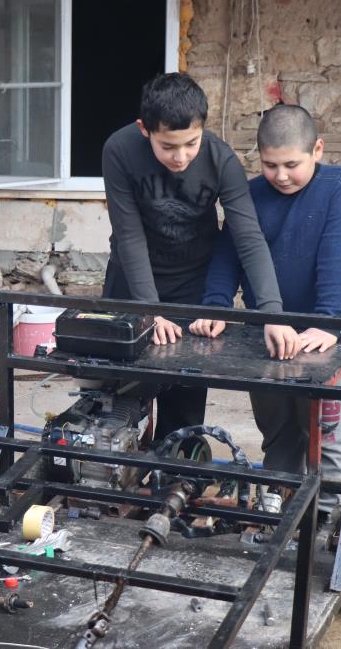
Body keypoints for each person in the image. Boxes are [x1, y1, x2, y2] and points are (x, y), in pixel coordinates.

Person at [191, 103, 341, 516]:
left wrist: (329, 321)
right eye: (270, 165)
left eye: (292, 164)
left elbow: (337, 257)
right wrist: (216, 306)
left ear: (318, 150)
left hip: (331, 331)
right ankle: (277, 503)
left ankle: (327, 513)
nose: (281, 176)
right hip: (266, 333)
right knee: (278, 427)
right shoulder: (250, 194)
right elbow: (227, 255)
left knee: (326, 431)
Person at [102, 73, 301, 440]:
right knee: (116, 398)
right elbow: (129, 236)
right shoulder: (119, 150)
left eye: (191, 143)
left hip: (192, 284)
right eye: (168, 146)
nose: (180, 157)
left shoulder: (220, 159)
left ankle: (173, 478)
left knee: (184, 405)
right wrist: (149, 309)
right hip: (130, 283)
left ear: (203, 129)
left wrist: (273, 313)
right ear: (144, 129)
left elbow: (248, 237)